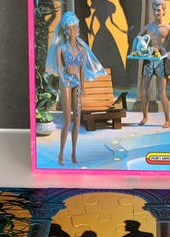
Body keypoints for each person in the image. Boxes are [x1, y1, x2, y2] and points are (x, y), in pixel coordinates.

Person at [46, 11, 106, 166]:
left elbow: (81, 71)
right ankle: (61, 154)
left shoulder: (82, 49)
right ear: (66, 30)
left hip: (77, 83)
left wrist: (83, 87)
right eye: (70, 28)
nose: (73, 30)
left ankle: (73, 152)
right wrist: (64, 78)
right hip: (66, 82)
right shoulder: (61, 49)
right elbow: (59, 68)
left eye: (75, 27)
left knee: (77, 119)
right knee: (67, 120)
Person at [134, 0, 170, 128]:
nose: (157, 13)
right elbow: (137, 37)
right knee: (144, 91)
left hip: (161, 60)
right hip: (149, 59)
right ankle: (145, 116)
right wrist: (137, 49)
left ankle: (168, 120)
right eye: (155, 10)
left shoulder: (167, 28)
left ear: (164, 11)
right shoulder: (148, 27)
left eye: (159, 10)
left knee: (161, 93)